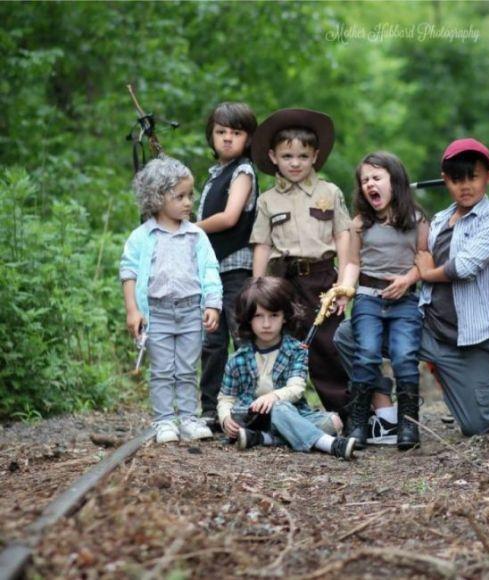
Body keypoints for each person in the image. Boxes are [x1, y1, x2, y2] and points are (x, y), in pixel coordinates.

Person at [335, 138, 489, 437]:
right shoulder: (440, 220)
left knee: (478, 424)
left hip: (469, 337)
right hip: (429, 327)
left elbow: (462, 268)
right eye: (456, 179)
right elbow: (416, 260)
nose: (465, 186)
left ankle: (484, 384)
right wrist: (408, 275)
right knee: (347, 336)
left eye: (473, 177)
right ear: (445, 181)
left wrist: (423, 274)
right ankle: (386, 413)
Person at [249, 108, 352, 414]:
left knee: (328, 346)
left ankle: (347, 413)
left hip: (321, 279)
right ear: (273, 157)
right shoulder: (268, 200)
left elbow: (344, 236)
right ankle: (286, 413)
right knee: (281, 345)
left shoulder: (329, 193)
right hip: (282, 281)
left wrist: (345, 285)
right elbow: (263, 245)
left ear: (315, 157)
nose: (295, 163)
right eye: (287, 156)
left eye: (303, 157)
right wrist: (257, 287)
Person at [120, 156, 222, 444]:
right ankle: (164, 420)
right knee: (163, 369)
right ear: (157, 197)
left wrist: (213, 303)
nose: (188, 202)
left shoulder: (196, 236)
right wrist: (133, 310)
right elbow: (127, 272)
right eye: (179, 196)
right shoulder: (142, 237)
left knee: (188, 368)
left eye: (190, 195)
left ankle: (189, 417)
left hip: (191, 311)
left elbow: (210, 270)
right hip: (158, 313)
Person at [336, 152, 429, 450]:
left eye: (376, 178)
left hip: (405, 301)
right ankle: (360, 423)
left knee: (404, 356)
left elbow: (425, 262)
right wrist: (344, 289)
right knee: (367, 353)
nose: (370, 185)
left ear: (395, 182)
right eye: (365, 180)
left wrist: (408, 280)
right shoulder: (360, 224)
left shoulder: (416, 219)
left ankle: (408, 425)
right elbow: (352, 263)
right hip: (368, 299)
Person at [217, 277, 356, 460]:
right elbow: (226, 397)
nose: (266, 324)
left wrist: (273, 396)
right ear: (248, 319)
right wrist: (226, 417)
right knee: (282, 410)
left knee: (332, 422)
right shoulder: (238, 359)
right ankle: (329, 445)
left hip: (291, 413)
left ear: (284, 317)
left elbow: (296, 389)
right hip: (253, 419)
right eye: (259, 316)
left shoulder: (296, 351)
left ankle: (264, 439)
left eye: (274, 315)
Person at [195, 102, 259, 428]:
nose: (228, 139)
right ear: (212, 136)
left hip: (235, 269)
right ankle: (210, 409)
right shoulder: (214, 175)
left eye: (236, 133)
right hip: (211, 271)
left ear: (248, 139)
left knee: (241, 336)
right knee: (212, 341)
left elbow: (230, 217)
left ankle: (248, 405)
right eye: (221, 132)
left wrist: (188, 228)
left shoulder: (243, 171)